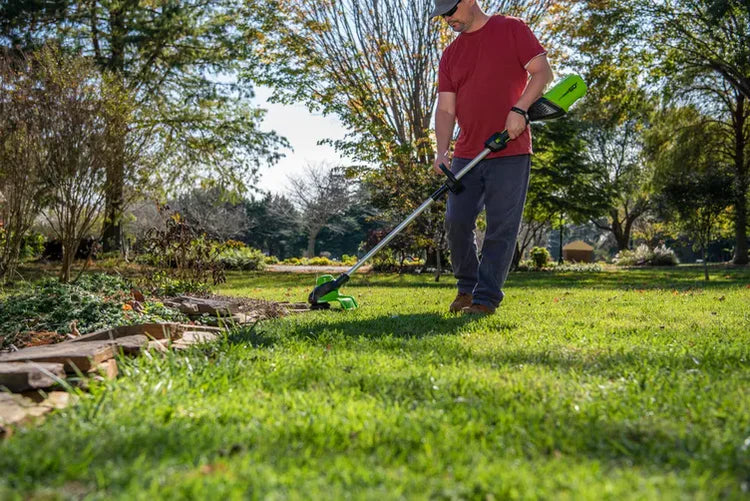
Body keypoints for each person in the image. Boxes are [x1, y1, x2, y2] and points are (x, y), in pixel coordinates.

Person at [431, 0, 553, 315]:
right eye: (442, 15)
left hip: (510, 150)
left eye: (450, 11)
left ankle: (485, 300)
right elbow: (445, 109)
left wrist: (519, 109)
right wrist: (441, 151)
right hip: (466, 153)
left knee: (501, 227)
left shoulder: (511, 29)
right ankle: (467, 289)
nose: (447, 19)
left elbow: (542, 73)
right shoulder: (451, 54)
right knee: (456, 221)